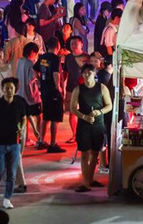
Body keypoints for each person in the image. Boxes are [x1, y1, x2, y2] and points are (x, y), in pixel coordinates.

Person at [70, 63, 113, 192]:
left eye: (90, 72)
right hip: (84, 125)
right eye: (85, 73)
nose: (87, 75)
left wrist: (99, 112)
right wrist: (84, 117)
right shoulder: (78, 89)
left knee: (95, 152)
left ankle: (90, 179)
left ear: (94, 74)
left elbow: (109, 105)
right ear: (82, 75)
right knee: (85, 153)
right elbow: (72, 108)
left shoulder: (102, 88)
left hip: (98, 125)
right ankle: (85, 183)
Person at [0, 77, 27, 210]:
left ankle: (7, 199)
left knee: (12, 174)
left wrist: (22, 128)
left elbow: (24, 118)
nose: (9, 90)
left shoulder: (19, 103)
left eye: (11, 88)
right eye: (6, 88)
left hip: (14, 144)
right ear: (2, 89)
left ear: (15, 90)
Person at [35, 37, 66, 153]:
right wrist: (59, 88)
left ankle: (41, 141)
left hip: (45, 90)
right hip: (53, 91)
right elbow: (56, 74)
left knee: (46, 116)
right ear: (57, 47)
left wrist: (40, 80)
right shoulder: (55, 58)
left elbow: (35, 70)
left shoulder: (42, 57)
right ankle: (53, 143)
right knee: (55, 118)